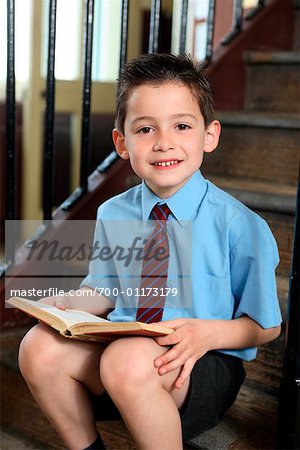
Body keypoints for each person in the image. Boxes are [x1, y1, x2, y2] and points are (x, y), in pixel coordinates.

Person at [18, 53, 282, 450]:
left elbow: (267, 326)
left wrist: (205, 333)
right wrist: (66, 303)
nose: (163, 143)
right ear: (122, 143)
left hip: (199, 365)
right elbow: (105, 290)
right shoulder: (114, 212)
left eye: (181, 125)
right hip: (122, 354)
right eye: (145, 129)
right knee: (36, 347)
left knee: (125, 359)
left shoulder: (239, 225)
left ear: (209, 135)